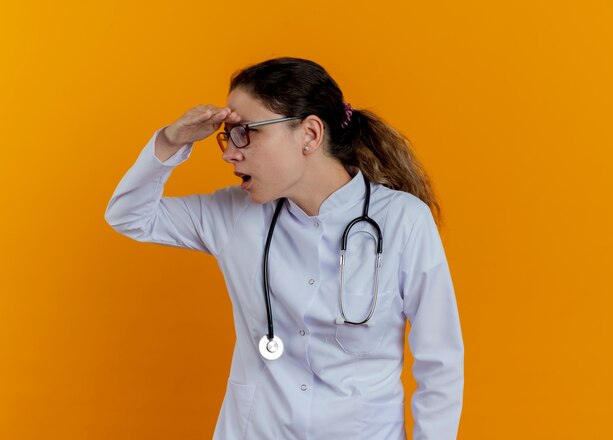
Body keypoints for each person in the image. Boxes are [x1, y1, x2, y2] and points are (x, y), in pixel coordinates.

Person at [104, 57, 464, 439]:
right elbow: (128, 215)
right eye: (228, 136)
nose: (228, 153)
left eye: (246, 132)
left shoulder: (403, 221)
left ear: (309, 134)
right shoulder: (233, 216)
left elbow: (439, 362)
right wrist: (170, 141)